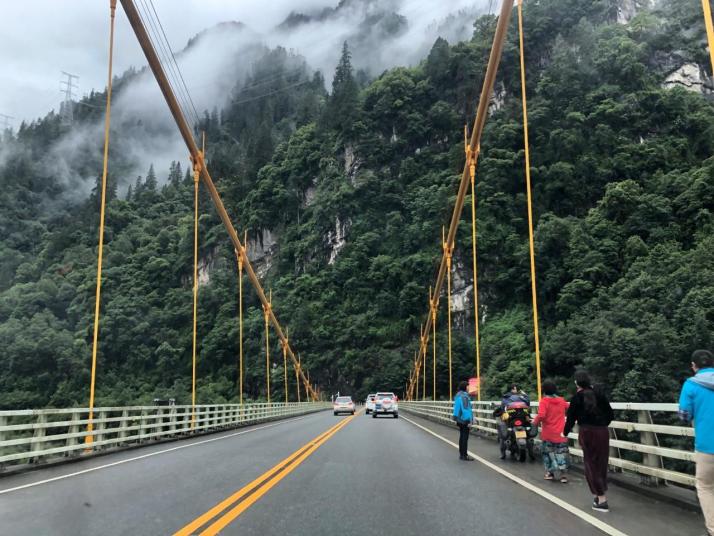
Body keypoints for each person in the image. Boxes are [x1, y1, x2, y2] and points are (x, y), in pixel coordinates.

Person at [563, 371, 614, 513]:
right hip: (602, 432)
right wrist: (602, 424)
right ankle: (599, 496)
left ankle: (601, 499)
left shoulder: (577, 398)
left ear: (577, 383)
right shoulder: (600, 394)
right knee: (601, 463)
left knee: (590, 464)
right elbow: (610, 415)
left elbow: (571, 418)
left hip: (587, 432)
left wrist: (565, 432)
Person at [678, 349, 714, 536]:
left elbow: (684, 415)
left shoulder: (691, 385)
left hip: (707, 445)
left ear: (694, 366)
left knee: (706, 487)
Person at [533, 380, 569, 483]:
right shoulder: (561, 400)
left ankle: (550, 473)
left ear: (544, 390)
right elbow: (569, 407)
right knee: (562, 453)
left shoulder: (544, 401)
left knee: (548, 453)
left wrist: (534, 423)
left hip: (548, 433)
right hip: (561, 433)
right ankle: (563, 476)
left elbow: (541, 415)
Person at [497, 384, 531, 459]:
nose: (517, 390)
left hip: (510, 420)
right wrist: (525, 394)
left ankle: (503, 454)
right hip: (522, 419)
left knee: (502, 435)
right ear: (512, 390)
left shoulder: (505, 398)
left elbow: (502, 409)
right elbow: (528, 402)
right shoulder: (520, 397)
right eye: (516, 389)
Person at [452, 381, 474, 461]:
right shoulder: (464, 397)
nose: (469, 388)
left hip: (459, 418)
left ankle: (462, 454)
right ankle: (464, 455)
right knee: (465, 437)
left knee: (462, 437)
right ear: (465, 387)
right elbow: (466, 410)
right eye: (468, 386)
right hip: (464, 419)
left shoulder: (458, 395)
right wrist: (469, 421)